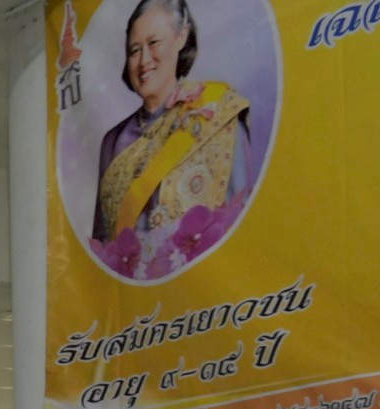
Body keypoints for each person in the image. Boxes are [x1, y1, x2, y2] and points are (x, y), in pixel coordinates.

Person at [91, 0, 258, 282]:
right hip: (137, 309)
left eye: (154, 43)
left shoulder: (217, 114)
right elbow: (103, 248)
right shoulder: (113, 141)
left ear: (181, 37)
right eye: (134, 50)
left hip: (206, 297)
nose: (144, 60)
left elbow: (247, 222)